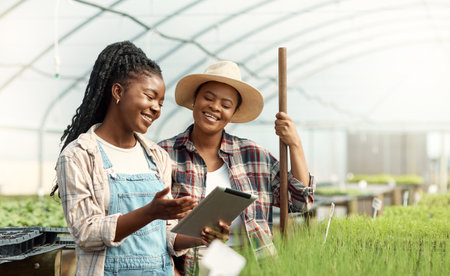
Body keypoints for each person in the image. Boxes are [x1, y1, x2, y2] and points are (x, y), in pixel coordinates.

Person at [52, 41, 229, 276]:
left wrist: (200, 236)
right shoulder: (79, 155)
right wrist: (150, 212)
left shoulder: (157, 157)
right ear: (118, 92)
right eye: (149, 97)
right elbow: (86, 233)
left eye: (161, 103)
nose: (156, 108)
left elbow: (165, 237)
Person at [158, 60, 315, 275]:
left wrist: (295, 143)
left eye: (226, 104)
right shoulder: (165, 153)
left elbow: (300, 202)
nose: (215, 107)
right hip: (194, 267)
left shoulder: (253, 154)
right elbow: (153, 229)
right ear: (195, 99)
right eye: (208, 97)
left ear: (233, 113)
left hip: (256, 265)